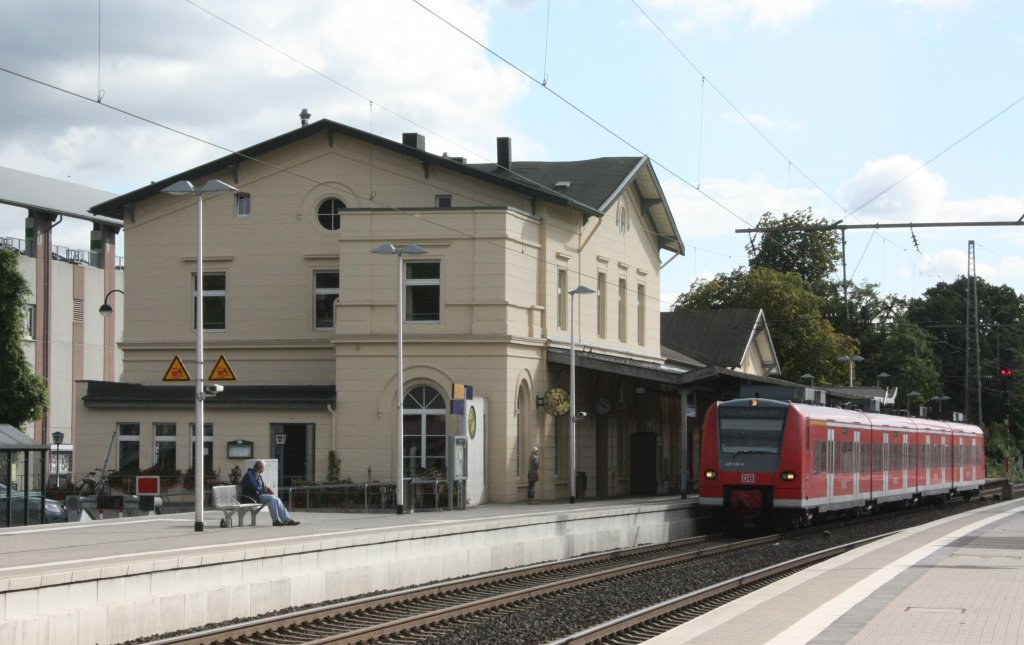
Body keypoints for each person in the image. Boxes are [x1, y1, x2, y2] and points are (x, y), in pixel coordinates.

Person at [241, 460, 300, 526]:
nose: (264, 469)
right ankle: (275, 521)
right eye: (263, 468)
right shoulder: (250, 474)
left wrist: (266, 489)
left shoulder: (257, 475)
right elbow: (256, 487)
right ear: (260, 468)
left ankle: (287, 520)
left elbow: (261, 486)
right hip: (251, 497)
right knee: (271, 498)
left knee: (276, 498)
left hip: (257, 496)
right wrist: (264, 491)